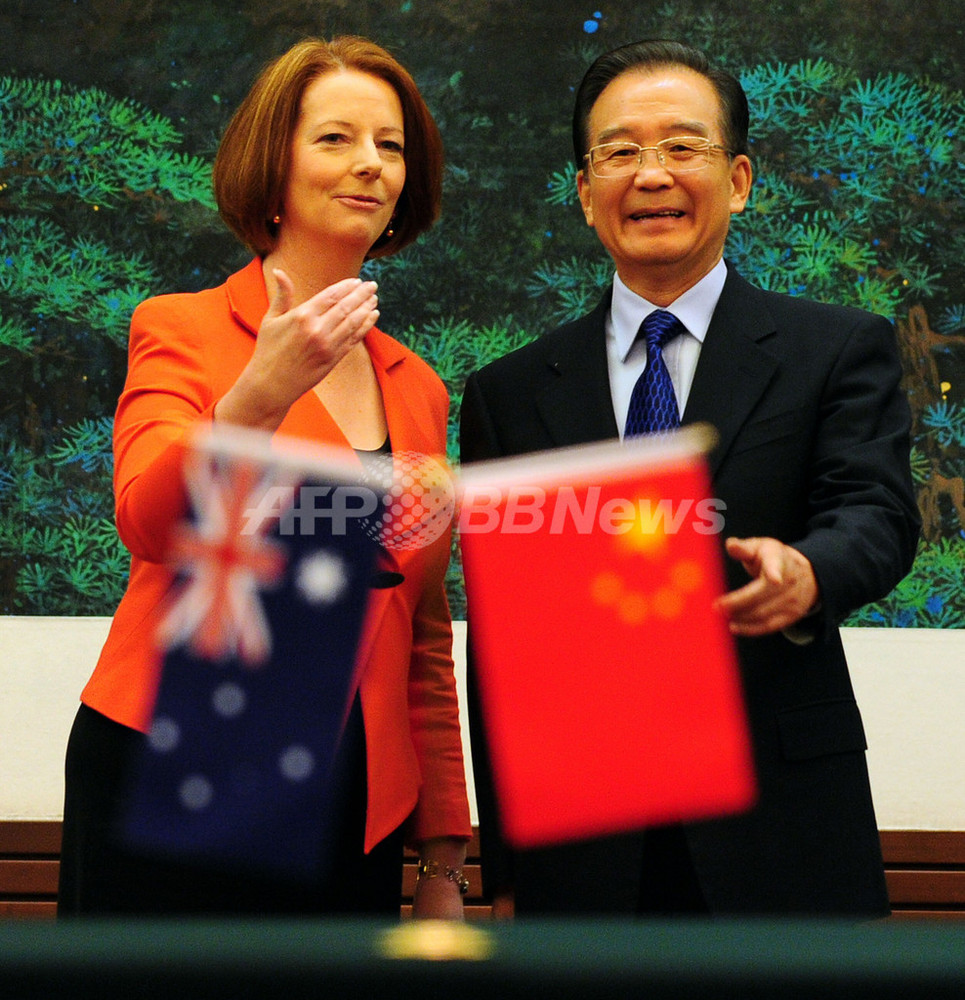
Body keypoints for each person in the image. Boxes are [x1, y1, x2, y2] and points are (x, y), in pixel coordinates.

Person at [460, 39, 920, 917]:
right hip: (584, 845)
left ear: (739, 179)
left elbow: (875, 511)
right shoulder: (511, 394)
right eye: (619, 151)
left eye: (682, 146)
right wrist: (507, 867)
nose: (651, 174)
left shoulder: (833, 350)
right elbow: (506, 642)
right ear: (585, 190)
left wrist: (809, 570)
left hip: (779, 824)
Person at [58, 36, 471, 918]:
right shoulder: (183, 329)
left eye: (390, 145)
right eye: (334, 139)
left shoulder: (420, 388)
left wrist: (442, 857)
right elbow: (147, 520)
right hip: (175, 775)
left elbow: (422, 637)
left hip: (347, 810)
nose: (368, 164)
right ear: (270, 165)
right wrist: (257, 399)